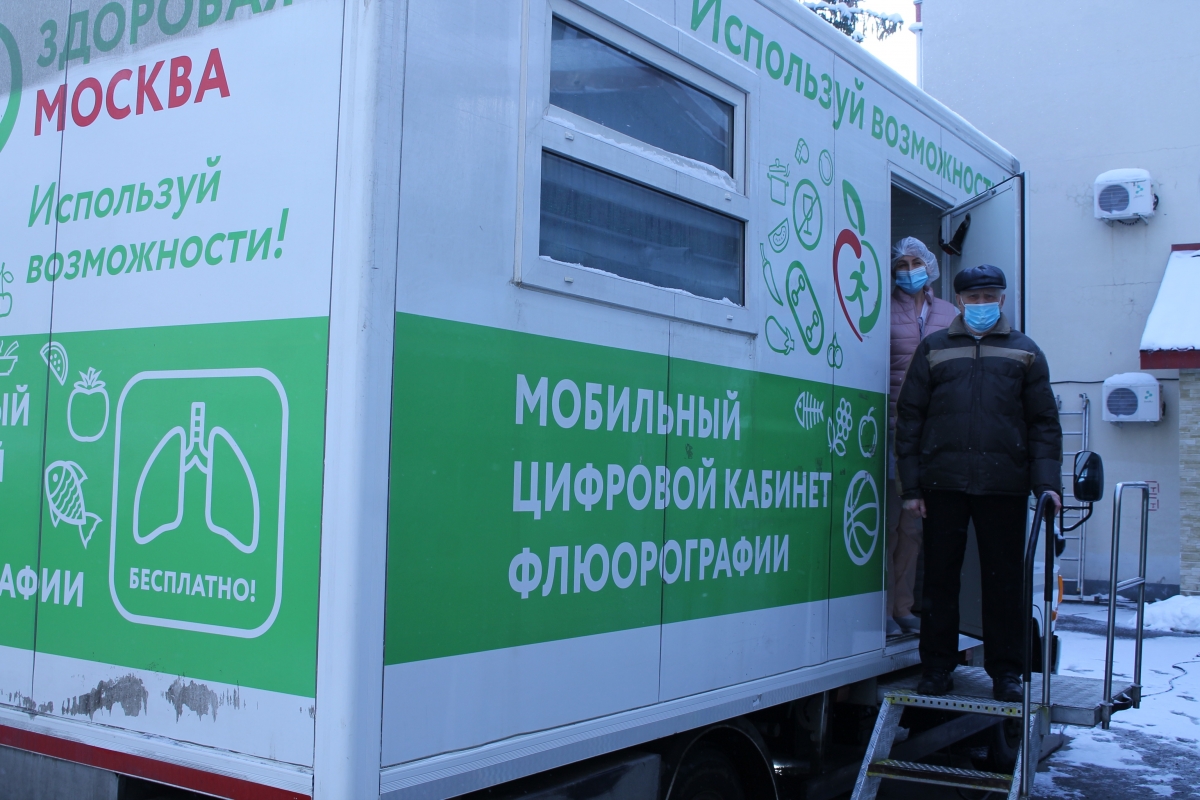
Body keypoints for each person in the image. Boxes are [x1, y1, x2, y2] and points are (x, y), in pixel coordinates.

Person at [895, 264, 1062, 702]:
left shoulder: (1025, 351)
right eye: (974, 298)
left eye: (990, 297)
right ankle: (936, 668)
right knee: (939, 582)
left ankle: (1007, 673)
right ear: (960, 301)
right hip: (943, 484)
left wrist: (1047, 484)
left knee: (1004, 582)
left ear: (1002, 300)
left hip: (1004, 485)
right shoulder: (934, 349)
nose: (982, 305)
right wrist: (912, 488)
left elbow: (1043, 423)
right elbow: (910, 419)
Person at [886, 237, 957, 638]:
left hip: (932, 437)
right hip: (891, 430)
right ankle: (880, 609)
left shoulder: (948, 313)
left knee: (912, 530)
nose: (909, 270)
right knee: (886, 527)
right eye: (902, 263)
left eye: (916, 262)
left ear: (929, 266)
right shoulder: (881, 309)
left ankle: (903, 607)